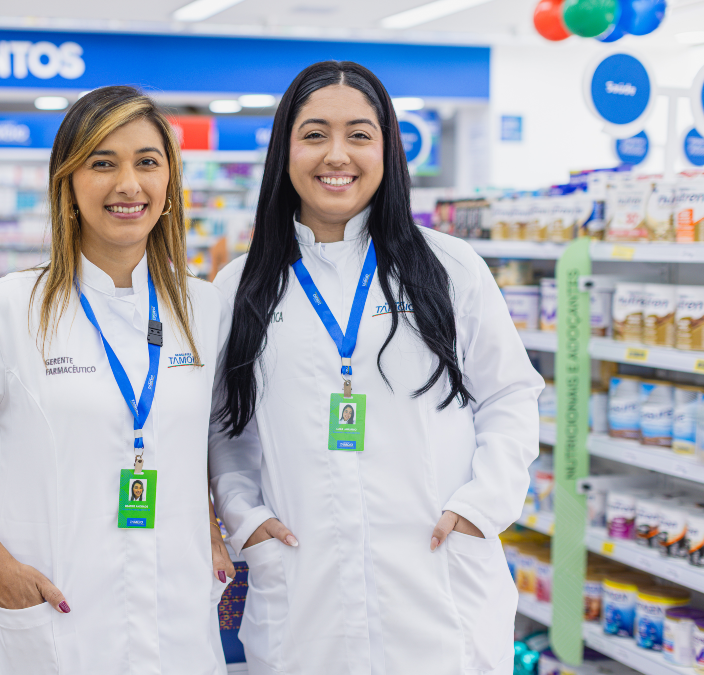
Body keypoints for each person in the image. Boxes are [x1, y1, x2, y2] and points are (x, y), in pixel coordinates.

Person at [209, 61, 544, 675]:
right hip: (305, 594)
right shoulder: (241, 286)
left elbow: (511, 395)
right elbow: (227, 429)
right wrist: (245, 517)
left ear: (387, 147)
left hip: (437, 584)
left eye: (359, 135)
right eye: (314, 135)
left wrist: (480, 506)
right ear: (285, 149)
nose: (337, 155)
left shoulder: (450, 267)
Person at [0, 86, 235, 675]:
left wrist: (209, 521)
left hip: (176, 617)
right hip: (55, 616)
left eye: (147, 162)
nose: (128, 184)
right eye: (102, 163)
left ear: (170, 184)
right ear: (67, 181)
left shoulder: (204, 307)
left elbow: (203, 440)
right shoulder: (8, 308)